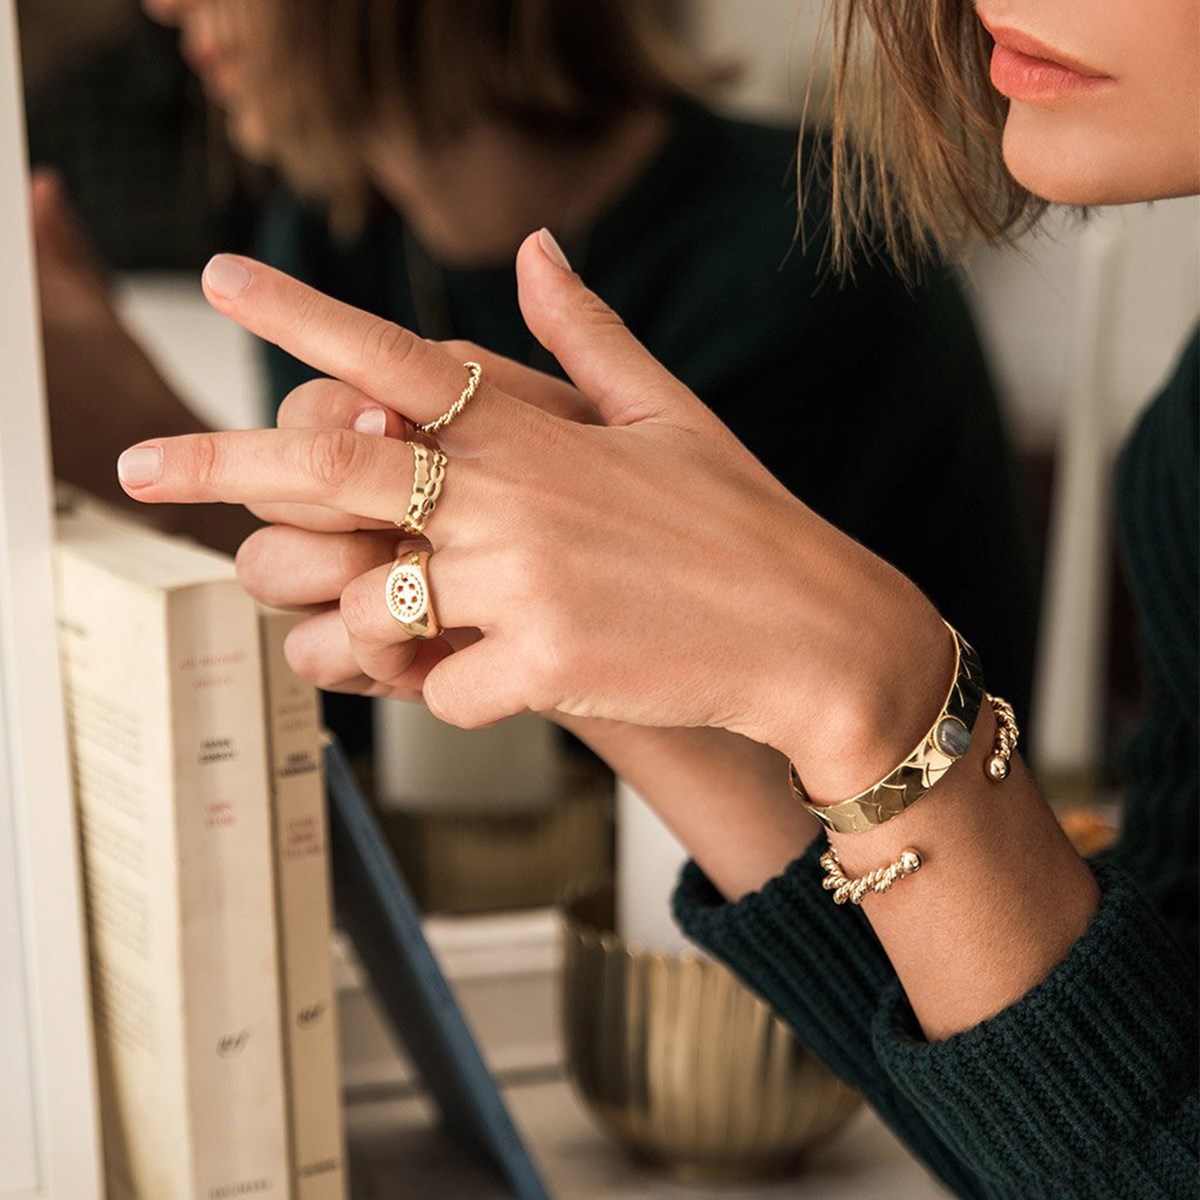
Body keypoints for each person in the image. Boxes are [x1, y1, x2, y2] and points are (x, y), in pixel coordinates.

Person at [115, 1, 1197, 1193]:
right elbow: (1064, 1131)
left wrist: (870, 693)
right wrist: (603, 663)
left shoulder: (798, 269)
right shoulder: (1187, 453)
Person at [38, 0, 1039, 727]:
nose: (164, 7)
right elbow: (353, 708)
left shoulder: (808, 256)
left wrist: (148, 445)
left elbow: (609, 757)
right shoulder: (333, 241)